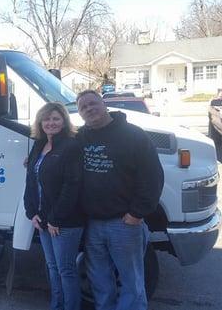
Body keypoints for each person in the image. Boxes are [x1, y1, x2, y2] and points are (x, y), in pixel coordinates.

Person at [75, 90, 164, 310]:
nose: (89, 109)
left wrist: (136, 214)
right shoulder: (80, 137)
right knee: (100, 282)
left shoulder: (133, 135)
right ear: (80, 113)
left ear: (104, 105)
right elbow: (55, 149)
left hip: (124, 224)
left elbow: (153, 176)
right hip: (92, 224)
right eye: (83, 107)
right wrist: (36, 155)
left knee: (132, 282)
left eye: (93, 103)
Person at [23, 102, 84, 310]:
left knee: (66, 270)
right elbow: (31, 180)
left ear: (64, 121)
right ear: (40, 122)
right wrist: (31, 212)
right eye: (47, 119)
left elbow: (72, 186)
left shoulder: (71, 146)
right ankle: (56, 305)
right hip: (44, 220)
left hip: (64, 222)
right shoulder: (39, 145)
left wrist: (55, 219)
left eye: (56, 118)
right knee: (52, 267)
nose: (51, 123)